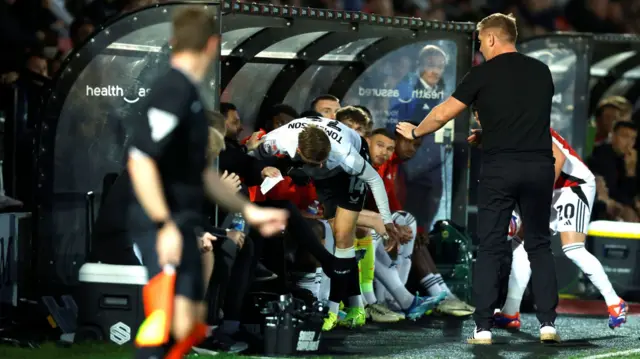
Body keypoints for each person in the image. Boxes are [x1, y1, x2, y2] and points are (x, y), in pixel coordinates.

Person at [126, 8, 288, 359]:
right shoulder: (172, 92)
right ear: (213, 45)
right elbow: (140, 161)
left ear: (172, 43)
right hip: (160, 223)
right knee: (168, 320)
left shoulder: (191, 97)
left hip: (182, 222)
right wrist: (162, 223)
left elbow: (201, 174)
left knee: (188, 322)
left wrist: (249, 211)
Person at [396, 13, 559, 344]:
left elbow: (443, 113)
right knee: (539, 245)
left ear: (493, 39)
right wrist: (490, 133)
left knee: (490, 247)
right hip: (540, 167)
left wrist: (415, 131)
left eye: (482, 40)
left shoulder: (482, 74)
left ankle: (483, 327)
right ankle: (548, 325)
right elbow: (523, 116)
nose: (480, 47)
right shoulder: (541, 72)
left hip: (501, 168)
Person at [252, 108, 406, 331]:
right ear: (296, 150)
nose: (320, 167)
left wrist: (387, 220)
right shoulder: (278, 140)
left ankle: (332, 312)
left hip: (345, 165)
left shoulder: (346, 155)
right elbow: (250, 157)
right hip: (319, 160)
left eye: (322, 162)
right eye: (316, 164)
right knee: (334, 230)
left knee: (343, 235)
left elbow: (375, 180)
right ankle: (356, 307)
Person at [470, 122, 628, 330]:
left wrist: (536, 197)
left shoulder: (527, 125)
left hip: (573, 186)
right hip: (548, 188)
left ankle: (615, 301)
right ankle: (510, 312)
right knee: (521, 243)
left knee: (573, 249)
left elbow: (558, 158)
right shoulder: (504, 128)